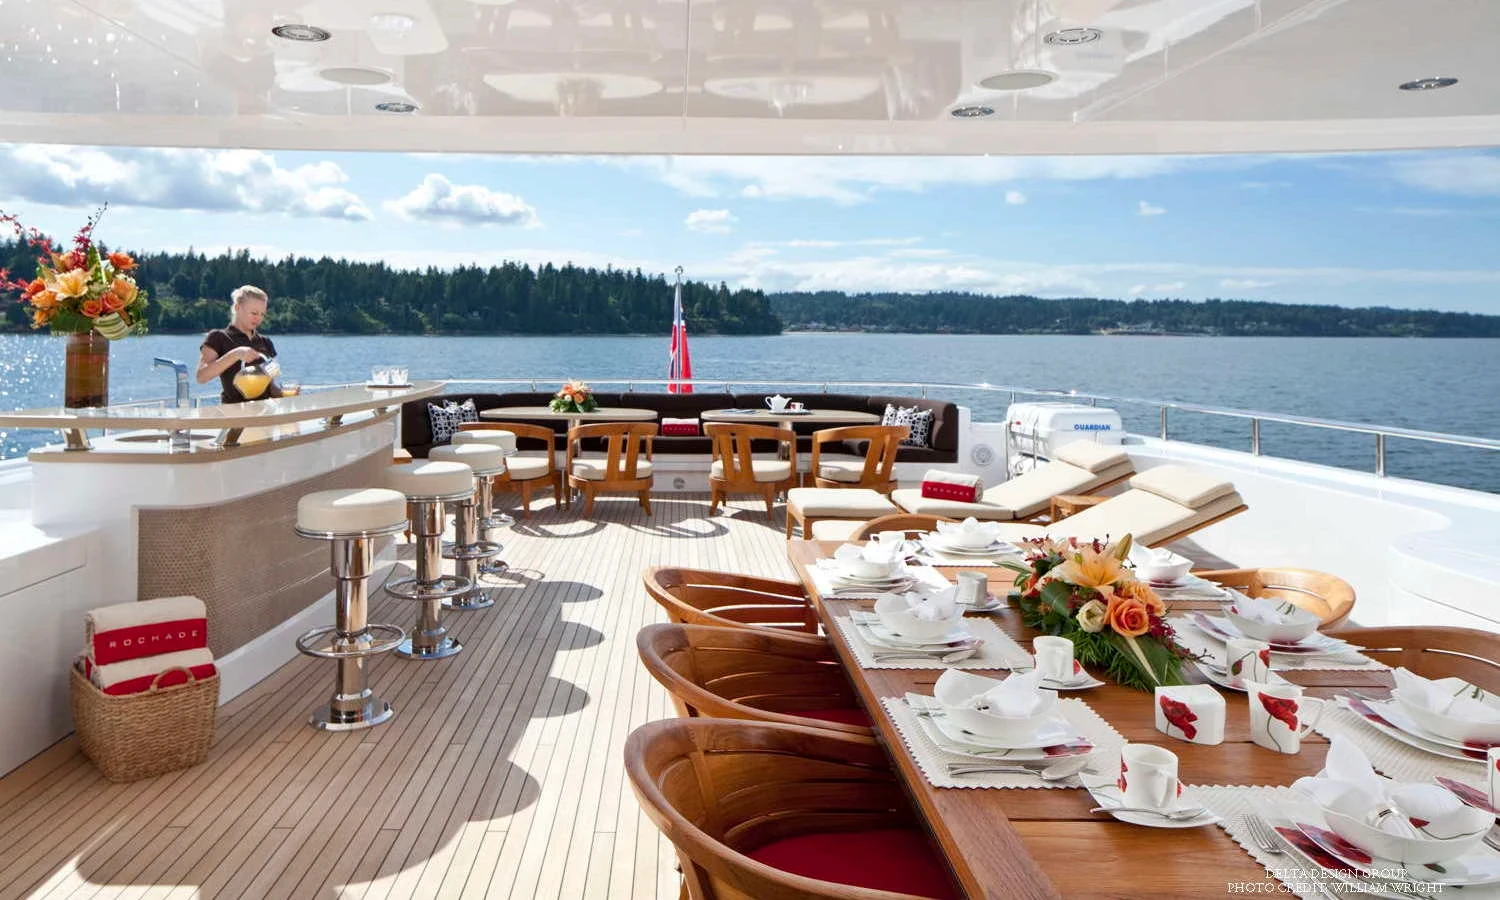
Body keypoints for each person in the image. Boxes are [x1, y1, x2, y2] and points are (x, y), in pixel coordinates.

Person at [197, 284, 282, 403]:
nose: (258, 318)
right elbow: (201, 377)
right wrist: (236, 354)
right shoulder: (218, 337)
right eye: (254, 313)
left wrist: (284, 394)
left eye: (262, 314)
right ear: (237, 307)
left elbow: (270, 387)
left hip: (264, 411)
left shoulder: (265, 342)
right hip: (234, 412)